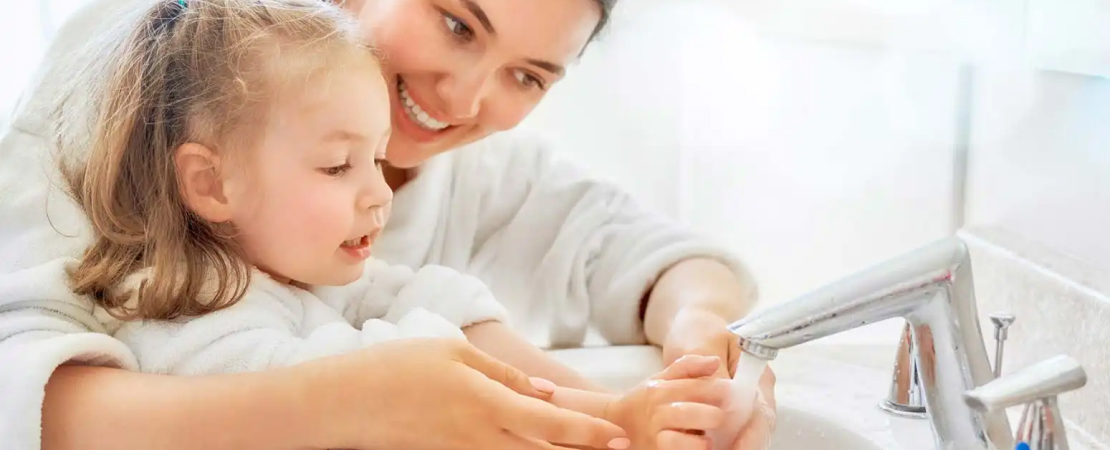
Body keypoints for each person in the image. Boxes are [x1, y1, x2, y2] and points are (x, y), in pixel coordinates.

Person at [0, 0, 776, 448]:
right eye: (457, 24)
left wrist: (704, 355)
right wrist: (344, 400)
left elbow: (652, 258)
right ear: (206, 181)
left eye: (527, 76)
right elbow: (22, 383)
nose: (466, 98)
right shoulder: (159, 75)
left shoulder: (480, 181)